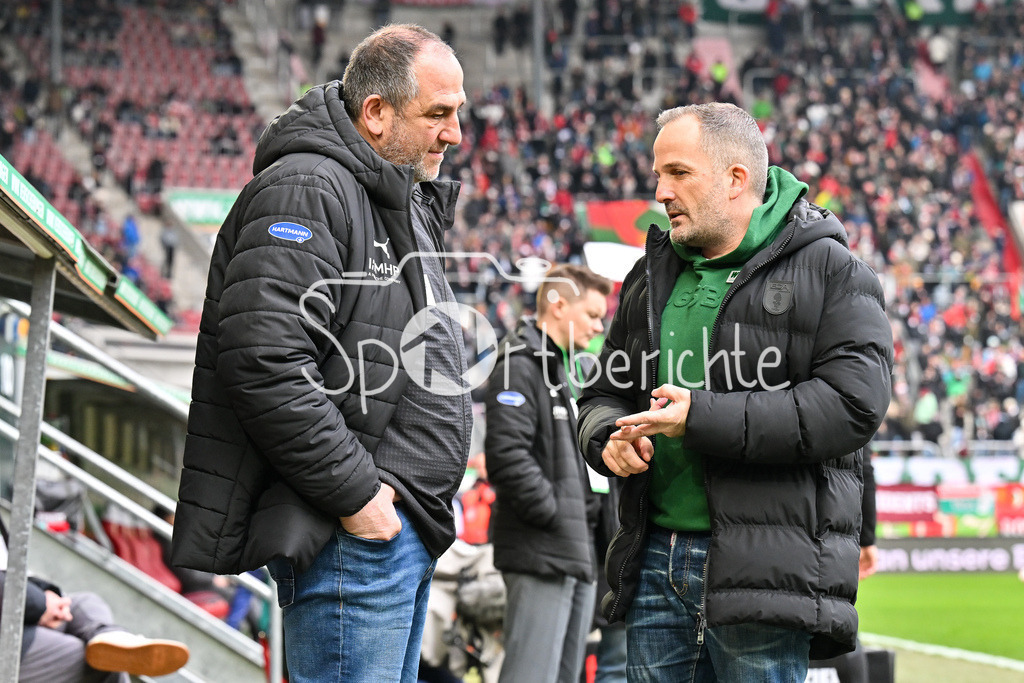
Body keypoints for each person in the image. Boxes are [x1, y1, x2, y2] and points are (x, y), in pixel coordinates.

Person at [171, 24, 471, 682]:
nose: (455, 134)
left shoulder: (390, 195)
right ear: (375, 113)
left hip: (394, 536)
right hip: (354, 539)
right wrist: (359, 495)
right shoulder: (309, 188)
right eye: (439, 114)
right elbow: (263, 359)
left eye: (459, 113)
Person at [576, 102, 893, 681]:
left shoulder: (833, 271)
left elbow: (852, 407)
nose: (660, 191)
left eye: (677, 173)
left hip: (764, 575)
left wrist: (701, 417)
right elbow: (602, 392)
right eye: (657, 174)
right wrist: (605, 440)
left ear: (736, 179)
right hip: (654, 566)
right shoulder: (649, 275)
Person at [484, 264, 613, 683]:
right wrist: (554, 514)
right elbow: (507, 456)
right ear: (557, 305)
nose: (599, 326)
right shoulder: (520, 362)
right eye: (592, 314)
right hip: (544, 549)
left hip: (572, 551)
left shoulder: (562, 371)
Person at [0, 521, 189, 682]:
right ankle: (109, 645)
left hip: (16, 609)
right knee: (92, 661)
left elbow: (14, 572)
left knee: (83, 603)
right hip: (8, 629)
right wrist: (40, 604)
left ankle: (108, 636)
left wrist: (48, 594)